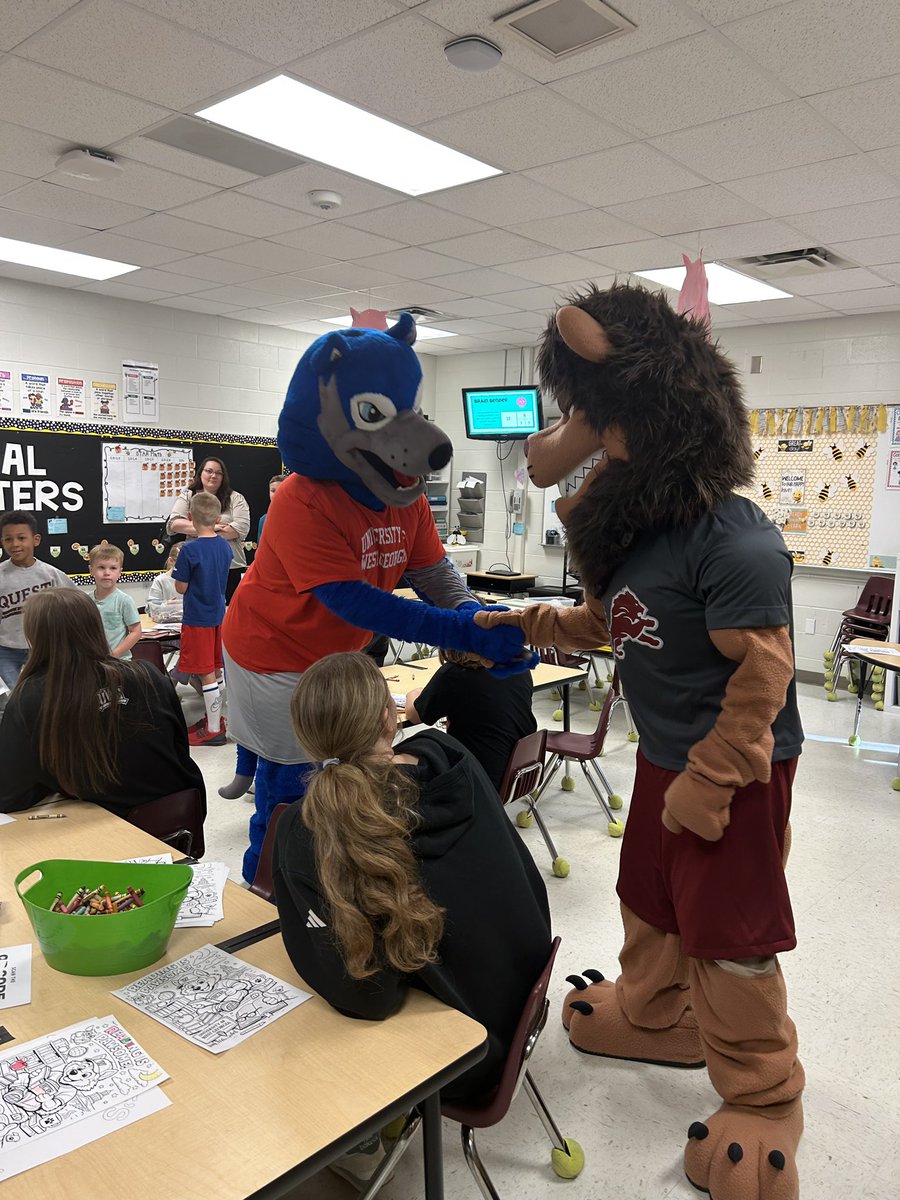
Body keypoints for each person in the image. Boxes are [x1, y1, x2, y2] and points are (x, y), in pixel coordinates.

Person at [476, 282, 805, 1200]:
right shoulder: (642, 533)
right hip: (664, 756)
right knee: (650, 898)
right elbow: (620, 624)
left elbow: (765, 675)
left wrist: (715, 775)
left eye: (594, 421)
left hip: (733, 767)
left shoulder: (736, 541)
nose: (568, 444)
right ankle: (660, 1017)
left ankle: (766, 1097)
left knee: (728, 933)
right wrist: (535, 625)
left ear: (653, 420)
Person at [273, 652, 551, 1183]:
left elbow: (367, 997)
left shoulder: (309, 833)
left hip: (463, 1054)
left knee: (302, 1037)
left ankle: (362, 1140)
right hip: (520, 996)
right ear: (390, 716)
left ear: (305, 739)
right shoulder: (449, 754)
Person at [0, 589, 205, 817]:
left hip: (111, 831)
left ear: (33, 638)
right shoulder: (148, 674)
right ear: (96, 627)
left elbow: (10, 795)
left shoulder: (32, 696)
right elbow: (178, 747)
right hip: (183, 813)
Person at [405, 647, 536, 792]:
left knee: (413, 750)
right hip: (523, 773)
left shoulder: (454, 674)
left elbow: (415, 715)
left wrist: (412, 695)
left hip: (481, 781)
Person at [172, 492, 234, 747]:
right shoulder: (224, 545)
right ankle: (215, 719)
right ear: (218, 518)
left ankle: (211, 729)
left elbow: (180, 588)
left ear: (190, 518)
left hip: (197, 619)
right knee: (216, 670)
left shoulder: (189, 549)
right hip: (219, 616)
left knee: (206, 673)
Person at [0, 510, 76, 698]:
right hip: (6, 650)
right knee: (16, 697)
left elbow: (78, 605)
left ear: (36, 540)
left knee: (49, 694)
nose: (15, 544)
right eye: (8, 539)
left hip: (45, 647)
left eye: (21, 538)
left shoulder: (51, 575)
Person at [166, 457, 250, 603]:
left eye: (218, 473)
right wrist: (214, 528)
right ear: (200, 473)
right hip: (198, 564)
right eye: (209, 471)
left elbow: (241, 528)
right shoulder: (188, 495)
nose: (213, 476)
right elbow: (175, 524)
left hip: (231, 566)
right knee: (200, 608)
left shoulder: (235, 498)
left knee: (230, 612)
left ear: (223, 477)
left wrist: (197, 530)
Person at [89, 544, 142, 660]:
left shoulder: (124, 600)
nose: (107, 573)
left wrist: (113, 655)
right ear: (91, 570)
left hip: (119, 662)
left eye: (113, 568)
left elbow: (136, 632)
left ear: (120, 572)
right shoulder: (86, 601)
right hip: (93, 662)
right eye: (101, 567)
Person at [146, 542, 183, 624]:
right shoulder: (160, 580)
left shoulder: (195, 579)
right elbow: (150, 608)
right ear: (171, 561)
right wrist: (166, 605)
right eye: (183, 562)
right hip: (167, 627)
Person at [257, 472, 288, 543]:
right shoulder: (264, 520)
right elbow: (261, 548)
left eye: (280, 490)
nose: (276, 494)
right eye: (273, 491)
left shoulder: (298, 517)